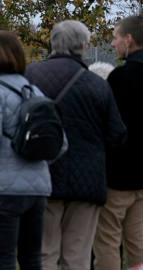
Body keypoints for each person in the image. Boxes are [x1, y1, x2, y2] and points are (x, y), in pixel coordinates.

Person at [24, 20, 126, 270]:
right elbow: (117, 135)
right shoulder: (98, 84)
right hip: (87, 182)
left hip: (42, 175)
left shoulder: (30, 76)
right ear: (83, 46)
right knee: (77, 256)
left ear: (52, 43)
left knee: (45, 253)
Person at [0, 31, 61, 270]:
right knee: (31, 260)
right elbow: (61, 144)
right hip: (37, 190)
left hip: (1, 190)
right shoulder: (33, 90)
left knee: (3, 261)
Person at [94, 15, 143, 270]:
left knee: (108, 240)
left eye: (115, 38)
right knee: (139, 243)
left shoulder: (120, 78)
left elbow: (111, 126)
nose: (113, 45)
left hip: (118, 174)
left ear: (129, 39)